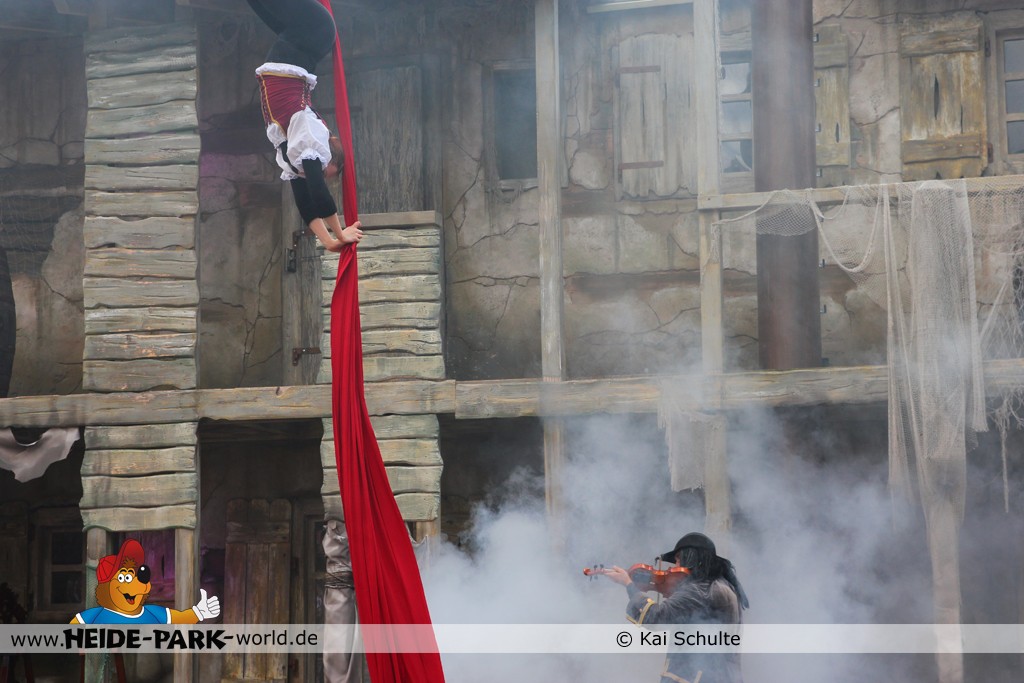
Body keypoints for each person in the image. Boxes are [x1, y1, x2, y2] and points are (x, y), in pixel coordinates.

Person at [247, 0, 363, 252]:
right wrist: (340, 233)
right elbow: (318, 193)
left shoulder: (292, 158)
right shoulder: (311, 138)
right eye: (327, 171)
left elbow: (306, 204)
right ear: (330, 156)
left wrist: (330, 242)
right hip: (312, 36)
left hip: (293, 52)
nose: (319, 173)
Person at [602, 533, 748, 683]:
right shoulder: (721, 585)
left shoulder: (699, 589)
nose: (675, 567)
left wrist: (629, 585)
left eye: (678, 560)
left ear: (691, 558)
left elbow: (655, 617)